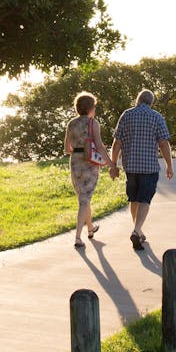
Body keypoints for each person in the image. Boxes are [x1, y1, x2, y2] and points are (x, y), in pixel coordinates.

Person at [109, 88, 173, 250]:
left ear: (137, 100)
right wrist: (169, 165)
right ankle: (137, 231)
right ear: (151, 103)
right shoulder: (156, 117)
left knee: (134, 199)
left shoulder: (126, 115)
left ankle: (138, 230)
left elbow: (117, 143)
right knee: (145, 199)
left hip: (130, 166)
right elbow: (163, 143)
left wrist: (113, 165)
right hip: (149, 167)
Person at [64, 91, 116, 249]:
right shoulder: (93, 123)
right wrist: (112, 164)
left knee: (83, 197)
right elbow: (99, 146)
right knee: (84, 200)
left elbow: (67, 148)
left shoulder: (71, 123)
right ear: (91, 107)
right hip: (89, 163)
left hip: (75, 162)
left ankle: (90, 228)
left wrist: (78, 151)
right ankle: (78, 237)